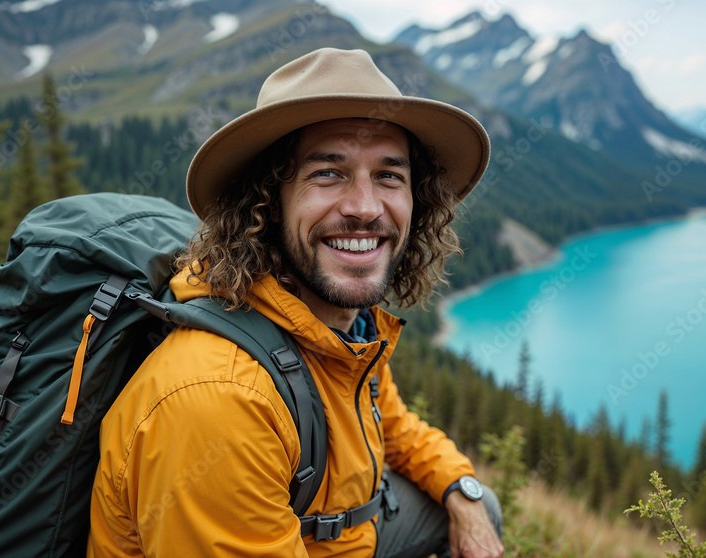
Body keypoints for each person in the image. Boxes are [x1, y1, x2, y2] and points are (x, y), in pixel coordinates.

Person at [87, 48, 504, 558]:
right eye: (328, 173)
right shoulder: (217, 399)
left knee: (483, 506)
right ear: (266, 201)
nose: (365, 208)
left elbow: (393, 425)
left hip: (336, 538)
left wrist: (461, 490)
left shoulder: (343, 327)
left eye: (389, 175)